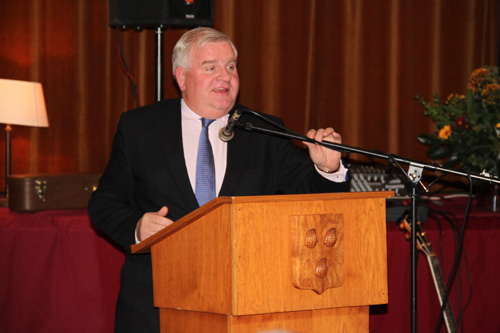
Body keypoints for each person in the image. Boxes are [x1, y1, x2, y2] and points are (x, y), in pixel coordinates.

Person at [88, 27, 349, 333]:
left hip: (244, 301)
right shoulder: (140, 127)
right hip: (155, 301)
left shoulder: (264, 131)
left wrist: (328, 169)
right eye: (210, 67)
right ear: (182, 77)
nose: (224, 76)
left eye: (231, 67)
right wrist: (137, 227)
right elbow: (104, 203)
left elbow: (315, 199)